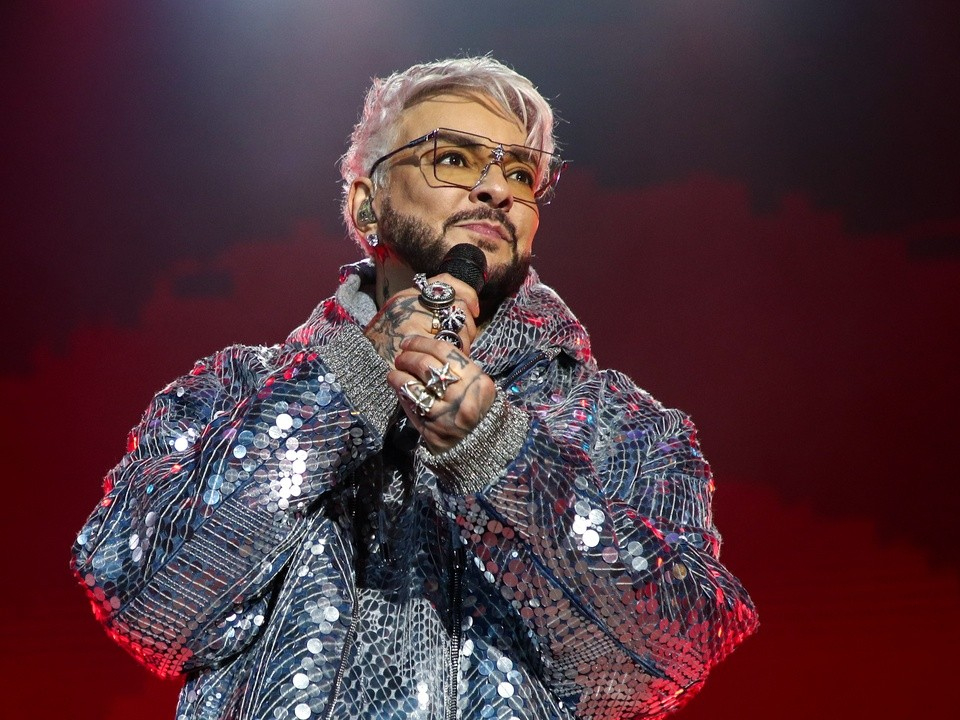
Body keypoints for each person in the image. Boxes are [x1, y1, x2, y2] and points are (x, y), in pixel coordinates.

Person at [72, 56, 758, 720]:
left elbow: (676, 653)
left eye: (520, 173)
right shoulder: (228, 391)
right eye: (453, 159)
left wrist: (502, 455)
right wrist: (352, 380)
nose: (496, 190)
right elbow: (144, 599)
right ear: (368, 205)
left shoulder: (625, 426)